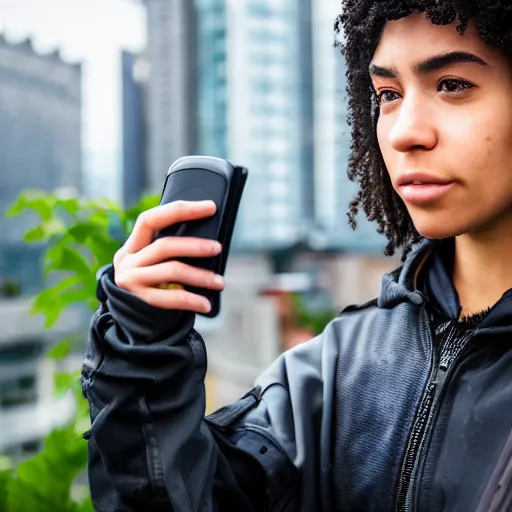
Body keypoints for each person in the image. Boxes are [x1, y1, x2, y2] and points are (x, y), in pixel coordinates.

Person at [81, 1, 512, 510]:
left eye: (453, 85)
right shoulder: (339, 364)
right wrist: (142, 349)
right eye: (389, 94)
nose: (404, 133)